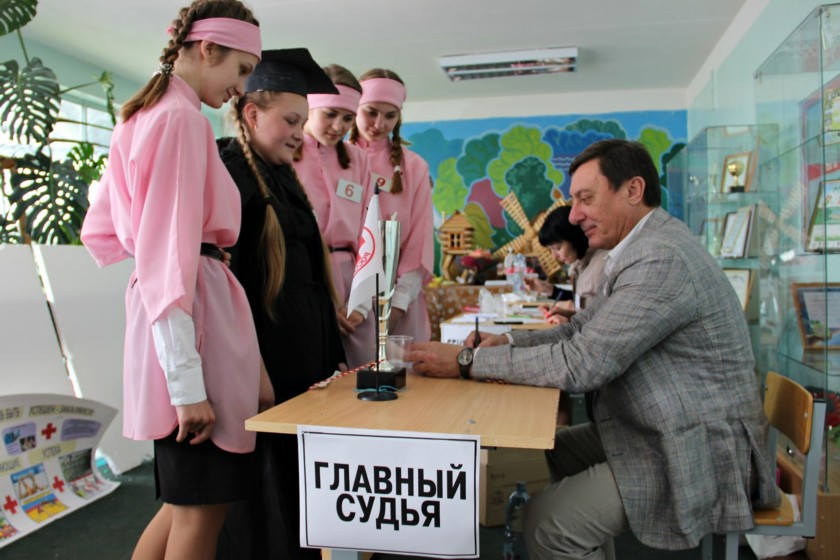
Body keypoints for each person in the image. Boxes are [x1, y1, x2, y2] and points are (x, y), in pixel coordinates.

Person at [408, 139, 780, 560]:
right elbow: (580, 329)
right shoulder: (638, 249)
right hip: (660, 427)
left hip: (697, 447)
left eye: (585, 199)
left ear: (633, 190)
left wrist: (467, 361)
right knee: (553, 449)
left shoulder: (661, 258)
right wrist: (508, 341)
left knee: (547, 525)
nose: (573, 215)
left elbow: (584, 362)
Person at [80, 2, 273, 559]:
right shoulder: (180, 119)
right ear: (207, 49)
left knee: (186, 506)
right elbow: (168, 259)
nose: (241, 88)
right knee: (200, 512)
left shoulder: (147, 115)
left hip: (187, 311)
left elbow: (118, 232)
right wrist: (187, 388)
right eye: (241, 70)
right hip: (193, 317)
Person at [215, 48, 345, 560]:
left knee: (300, 481)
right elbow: (228, 287)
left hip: (305, 360)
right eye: (291, 121)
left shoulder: (283, 174)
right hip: (268, 360)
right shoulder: (230, 171)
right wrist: (253, 370)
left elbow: (310, 277)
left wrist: (333, 357)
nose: (300, 133)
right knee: (265, 491)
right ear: (251, 114)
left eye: (301, 122)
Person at [292, 64, 375, 367]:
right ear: (309, 108)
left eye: (348, 118)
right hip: (304, 277)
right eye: (330, 114)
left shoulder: (358, 159)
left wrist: (361, 304)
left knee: (363, 376)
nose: (338, 126)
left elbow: (371, 232)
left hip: (354, 282)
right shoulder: (286, 154)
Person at [349, 69, 434, 342]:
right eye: (371, 112)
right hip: (346, 297)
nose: (379, 123)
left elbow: (419, 240)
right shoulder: (339, 160)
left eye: (390, 115)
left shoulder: (414, 167)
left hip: (399, 301)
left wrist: (397, 305)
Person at [524, 205, 608, 322]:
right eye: (551, 250)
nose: (554, 256)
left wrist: (569, 320)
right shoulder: (579, 264)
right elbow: (582, 302)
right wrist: (549, 291)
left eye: (558, 248)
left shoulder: (602, 265)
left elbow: (604, 315)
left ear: (573, 238)